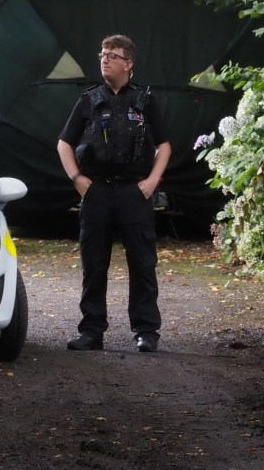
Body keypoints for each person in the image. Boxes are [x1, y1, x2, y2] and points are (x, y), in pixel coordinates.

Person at [56, 34, 171, 353]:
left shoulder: (144, 100)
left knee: (143, 263)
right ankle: (92, 331)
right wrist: (77, 178)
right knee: (94, 264)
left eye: (112, 55)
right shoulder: (90, 99)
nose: (104, 59)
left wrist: (151, 182)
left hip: (134, 193)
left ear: (128, 63)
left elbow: (164, 145)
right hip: (98, 193)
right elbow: (64, 143)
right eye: (102, 53)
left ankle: (146, 332)